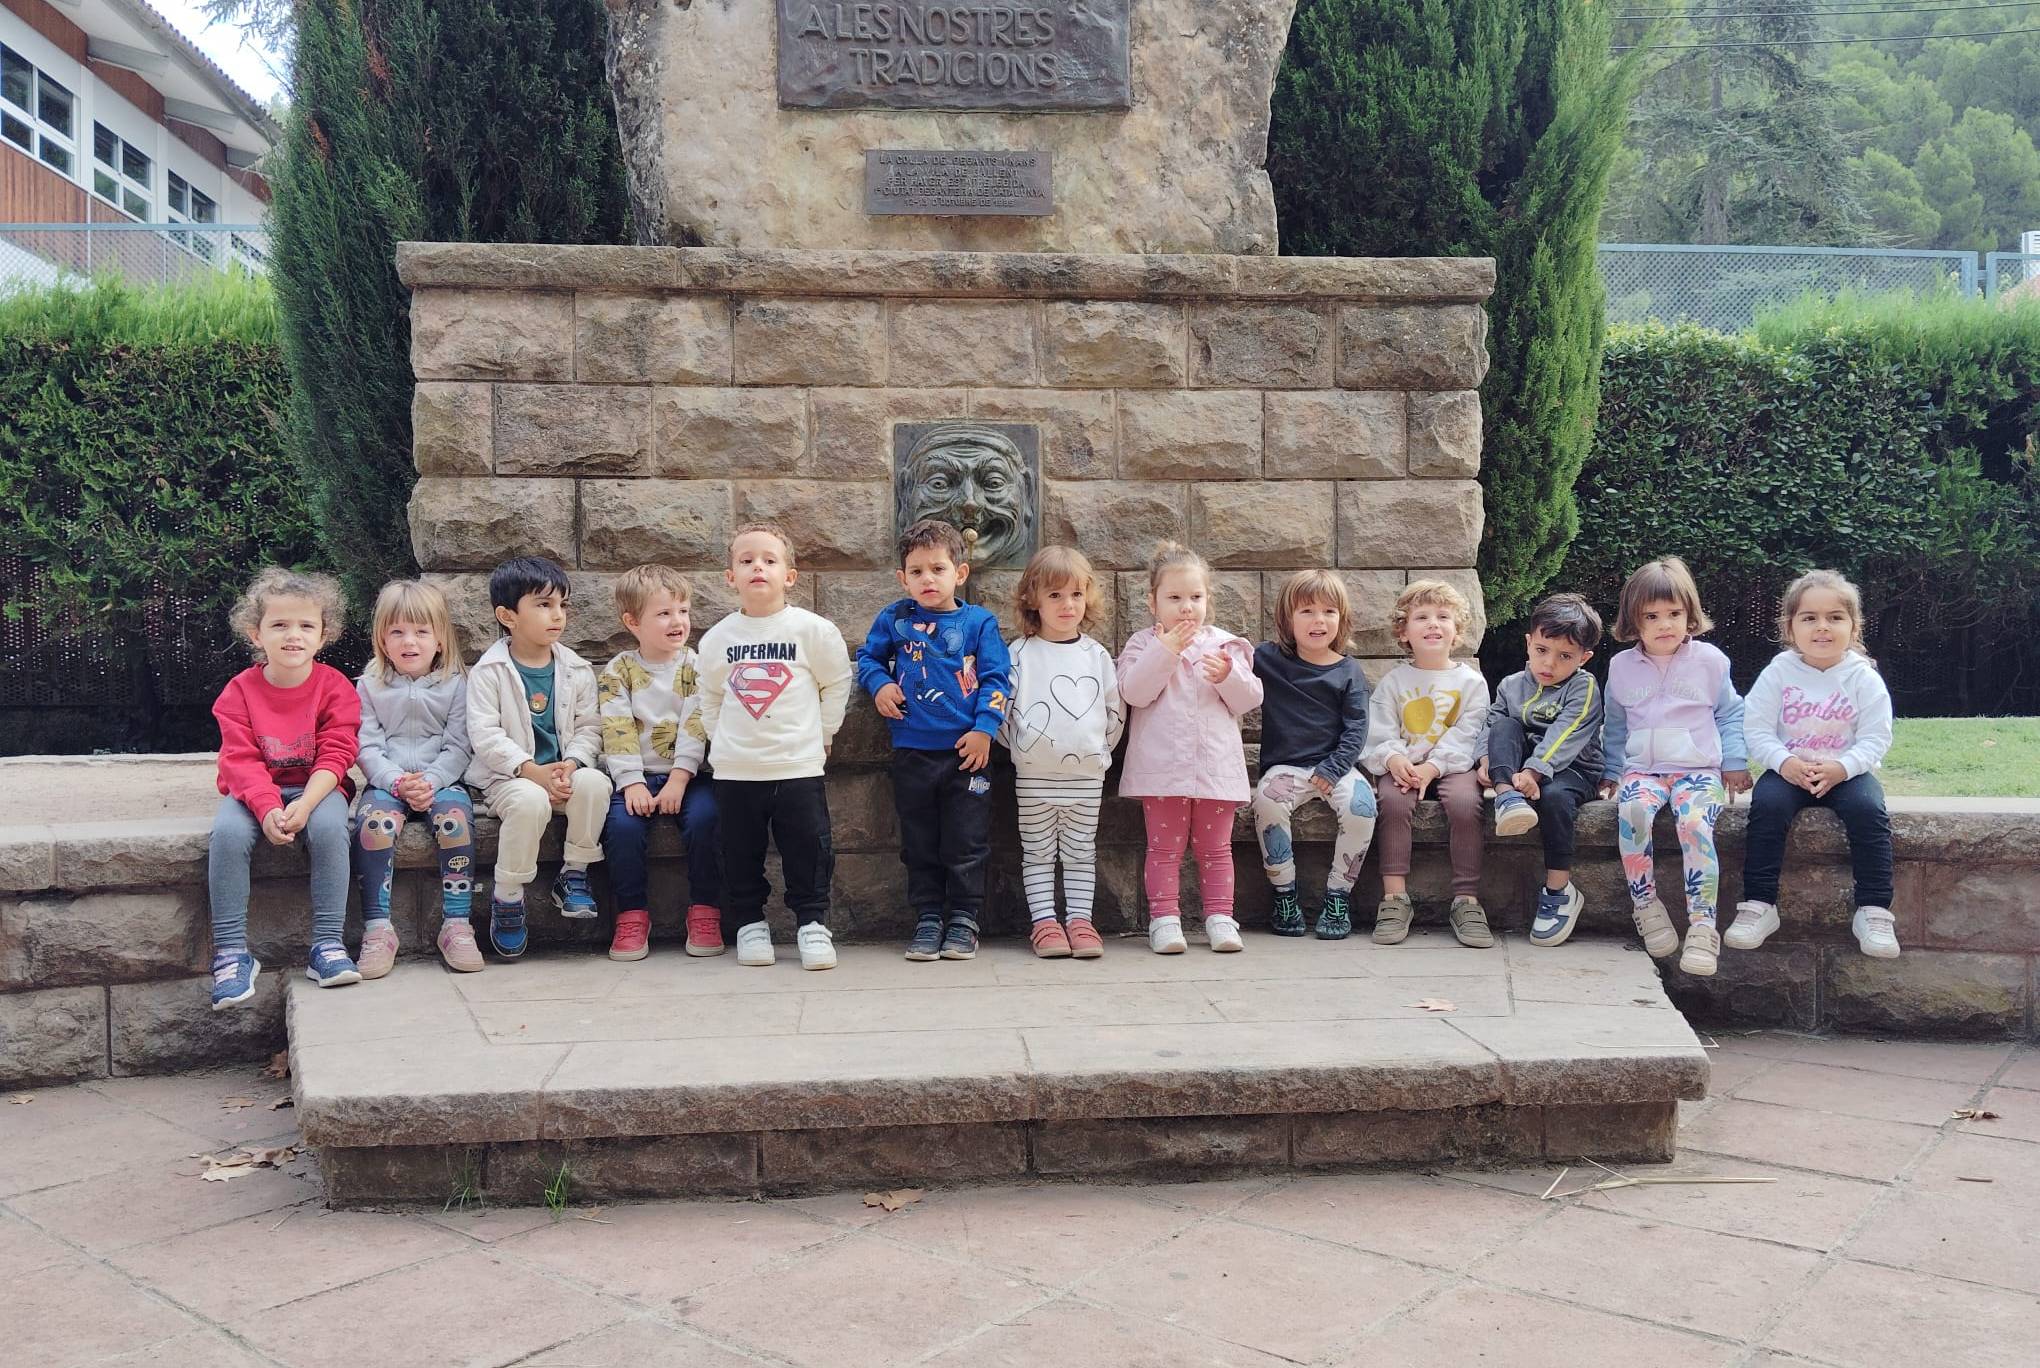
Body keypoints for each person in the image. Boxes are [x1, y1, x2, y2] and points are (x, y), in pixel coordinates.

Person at [696, 523, 854, 970]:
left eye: (769, 560)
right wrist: (722, 739)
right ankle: (750, 924)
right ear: (731, 577)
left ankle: (813, 924)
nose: (758, 568)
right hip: (736, 771)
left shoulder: (813, 631)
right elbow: (709, 695)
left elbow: (837, 682)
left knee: (809, 850)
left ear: (790, 575)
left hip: (798, 767)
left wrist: (823, 734)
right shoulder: (718, 639)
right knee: (739, 852)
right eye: (746, 561)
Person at [858, 518, 1013, 962]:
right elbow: (868, 658)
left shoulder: (979, 623)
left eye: (938, 569)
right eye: (917, 571)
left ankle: (964, 918)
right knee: (920, 842)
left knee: (966, 842)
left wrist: (985, 729)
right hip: (913, 752)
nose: (928, 578)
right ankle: (928, 917)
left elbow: (998, 678)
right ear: (902, 578)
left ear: (959, 573)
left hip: (968, 755)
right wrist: (879, 685)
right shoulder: (895, 619)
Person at [207, 567, 360, 1008]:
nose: (293, 635)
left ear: (324, 635)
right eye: (279, 624)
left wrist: (307, 804)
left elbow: (337, 754)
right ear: (256, 633)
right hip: (254, 791)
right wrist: (266, 807)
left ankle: (327, 944)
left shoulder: (335, 687)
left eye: (306, 626)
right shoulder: (238, 692)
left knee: (330, 829)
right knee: (227, 834)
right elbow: (239, 760)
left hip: (318, 789)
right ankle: (231, 953)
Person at [1728, 569, 1899, 959]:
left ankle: (1874, 911)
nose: (1822, 626)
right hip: (1789, 771)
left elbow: (1876, 737)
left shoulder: (1863, 678)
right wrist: (1784, 762)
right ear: (1790, 627)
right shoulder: (1778, 673)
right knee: (1767, 807)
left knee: (1869, 811)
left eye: (1835, 617)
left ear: (1854, 627)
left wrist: (1844, 768)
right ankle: (1759, 905)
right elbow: (1756, 728)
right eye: (1809, 618)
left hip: (1847, 773)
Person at [1600, 556, 1750, 977]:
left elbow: (1730, 714)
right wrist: (1611, 771)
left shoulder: (1710, 661)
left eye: (1674, 613)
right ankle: (1646, 906)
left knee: (1695, 824)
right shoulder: (1621, 667)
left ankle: (1702, 925)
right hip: (1643, 772)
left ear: (1690, 614)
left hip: (1698, 771)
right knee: (1632, 813)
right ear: (1633, 620)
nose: (1664, 624)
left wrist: (1734, 762)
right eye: (1651, 616)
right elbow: (1615, 724)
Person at [1116, 542, 1263, 954]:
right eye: (1174, 598)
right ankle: (1164, 920)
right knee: (1164, 849)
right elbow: (1134, 692)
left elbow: (1250, 699)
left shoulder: (1226, 647)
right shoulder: (1142, 645)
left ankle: (1221, 918)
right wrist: (1165, 651)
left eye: (1195, 597)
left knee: (1216, 849)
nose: (1186, 607)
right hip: (1162, 771)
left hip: (1215, 769)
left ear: (1207, 600)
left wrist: (1229, 676)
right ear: (1153, 602)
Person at [466, 556, 612, 960]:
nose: (558, 615)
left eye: (563, 605)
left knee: (596, 783)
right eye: (544, 605)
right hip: (509, 779)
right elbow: (485, 735)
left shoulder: (577, 669)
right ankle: (508, 896)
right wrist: (531, 771)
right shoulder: (489, 672)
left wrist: (573, 764)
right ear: (507, 616)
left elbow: (589, 727)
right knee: (530, 801)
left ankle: (574, 873)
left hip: (562, 775)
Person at [999, 546, 1123, 959]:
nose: (1067, 604)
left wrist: (1096, 751)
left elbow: (1114, 710)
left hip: (1086, 777)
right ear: (1032, 598)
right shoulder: (1019, 654)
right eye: (1055, 595)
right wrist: (1022, 749)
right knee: (1036, 852)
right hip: (1034, 777)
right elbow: (1001, 712)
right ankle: (1045, 923)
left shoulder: (1096, 655)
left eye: (1075, 594)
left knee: (1080, 852)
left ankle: (1080, 921)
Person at [597, 565, 722, 963]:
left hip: (690, 776)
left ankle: (705, 910)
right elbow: (616, 728)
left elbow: (696, 723)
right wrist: (631, 782)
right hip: (635, 777)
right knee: (621, 828)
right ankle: (632, 915)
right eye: (664, 613)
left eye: (683, 611)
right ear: (632, 622)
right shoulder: (619, 671)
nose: (678, 621)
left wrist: (680, 779)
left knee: (707, 819)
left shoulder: (696, 666)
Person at [352, 579, 477, 975]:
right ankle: (377, 929)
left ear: (439, 639)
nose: (409, 641)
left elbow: (460, 746)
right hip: (386, 784)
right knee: (373, 826)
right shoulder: (369, 686)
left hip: (442, 781)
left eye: (422, 631)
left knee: (456, 823)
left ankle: (456, 925)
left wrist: (431, 781)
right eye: (397, 632)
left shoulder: (456, 685)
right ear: (382, 639)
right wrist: (396, 783)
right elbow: (366, 747)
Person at [1362, 579, 1492, 948]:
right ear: (1403, 632)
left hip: (1453, 766)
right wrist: (1394, 758)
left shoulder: (1471, 682)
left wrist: (1432, 768)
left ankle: (1466, 901)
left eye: (1443, 616)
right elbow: (1379, 729)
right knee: (1392, 800)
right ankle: (1394, 897)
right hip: (1403, 765)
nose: (1433, 623)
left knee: (1466, 803)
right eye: (1421, 617)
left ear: (1457, 631)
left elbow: (1469, 733)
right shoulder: (1394, 682)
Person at [1251, 570, 1374, 941]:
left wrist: (1333, 768)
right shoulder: (1267, 659)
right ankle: (1284, 895)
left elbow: (1357, 729)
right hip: (1285, 768)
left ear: (1341, 618)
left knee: (1362, 806)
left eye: (1328, 612)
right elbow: (1231, 661)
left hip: (1337, 766)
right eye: (1306, 611)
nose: (1318, 620)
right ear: (1287, 618)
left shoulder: (1349, 671)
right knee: (1266, 802)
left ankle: (1338, 896)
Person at [1482, 592, 1605, 948]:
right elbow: (1491, 727)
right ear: (1528, 643)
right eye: (1541, 650)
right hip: (1520, 774)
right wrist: (1486, 761)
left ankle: (1558, 890)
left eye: (1565, 656)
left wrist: (1535, 772)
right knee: (1504, 726)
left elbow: (1565, 734)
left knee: (1554, 799)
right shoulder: (1510, 685)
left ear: (1583, 658)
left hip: (1574, 770)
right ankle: (1507, 799)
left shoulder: (1583, 686)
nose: (1549, 663)